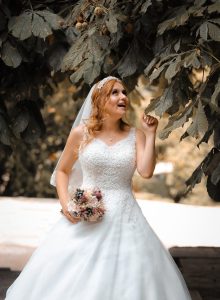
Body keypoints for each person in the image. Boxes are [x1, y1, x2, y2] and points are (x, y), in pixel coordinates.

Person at [5, 76, 192, 300]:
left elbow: (145, 171)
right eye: (115, 92)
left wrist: (151, 134)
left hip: (126, 216)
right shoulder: (81, 134)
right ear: (99, 100)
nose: (123, 96)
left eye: (124, 92)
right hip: (87, 216)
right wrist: (67, 206)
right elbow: (62, 171)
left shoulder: (136, 135)